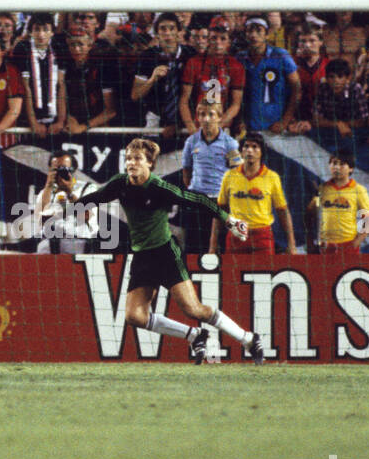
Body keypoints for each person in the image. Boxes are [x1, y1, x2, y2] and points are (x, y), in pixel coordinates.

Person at [80, 137, 262, 364]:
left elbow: (196, 200)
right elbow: (96, 197)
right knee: (134, 316)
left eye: (137, 159)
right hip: (142, 257)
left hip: (165, 254)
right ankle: (194, 335)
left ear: (149, 164)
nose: (131, 164)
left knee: (193, 309)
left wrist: (228, 220)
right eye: (128, 159)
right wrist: (81, 206)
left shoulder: (158, 187)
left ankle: (248, 338)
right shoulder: (120, 184)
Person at [211, 131, 295, 255]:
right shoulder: (229, 176)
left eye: (255, 147)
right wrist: (212, 246)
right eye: (246, 146)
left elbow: (282, 211)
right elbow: (219, 212)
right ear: (241, 151)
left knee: (265, 273)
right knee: (233, 274)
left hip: (262, 236)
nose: (250, 150)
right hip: (236, 235)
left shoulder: (272, 177)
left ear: (262, 151)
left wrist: (291, 244)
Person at [180, 97, 239, 255]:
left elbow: (237, 173)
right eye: (202, 114)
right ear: (197, 117)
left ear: (220, 117)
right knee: (193, 247)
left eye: (211, 114)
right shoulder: (191, 142)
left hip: (219, 201)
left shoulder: (230, 143)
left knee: (219, 247)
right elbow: (186, 171)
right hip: (197, 199)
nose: (206, 119)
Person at [34, 152, 95, 254]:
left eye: (64, 169)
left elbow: (85, 216)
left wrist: (69, 192)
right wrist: (49, 185)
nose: (60, 173)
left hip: (77, 241)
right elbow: (39, 218)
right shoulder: (45, 191)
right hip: (48, 243)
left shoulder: (87, 188)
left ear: (73, 170)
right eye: (55, 170)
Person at [316, 151, 369, 253]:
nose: (337, 167)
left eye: (342, 164)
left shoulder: (358, 190)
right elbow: (312, 213)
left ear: (350, 168)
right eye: (334, 163)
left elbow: (368, 220)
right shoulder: (322, 189)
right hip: (326, 245)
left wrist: (356, 243)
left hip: (348, 244)